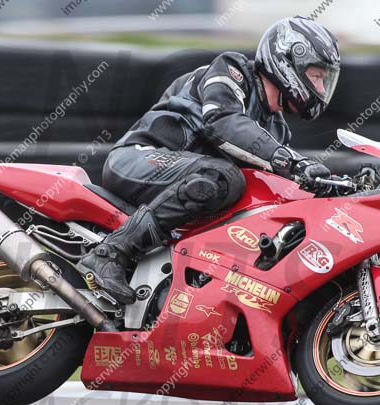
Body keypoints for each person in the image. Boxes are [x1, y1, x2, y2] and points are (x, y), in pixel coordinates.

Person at [77, 16, 341, 305]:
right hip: (137, 159)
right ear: (289, 61)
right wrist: (293, 161)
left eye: (324, 80)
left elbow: (281, 187)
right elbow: (223, 122)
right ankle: (111, 253)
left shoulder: (276, 128)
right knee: (222, 177)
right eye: (316, 76)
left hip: (185, 180)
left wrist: (331, 189)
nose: (321, 88)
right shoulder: (231, 70)